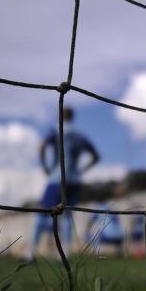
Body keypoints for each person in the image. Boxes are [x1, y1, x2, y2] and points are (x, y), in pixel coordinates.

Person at [28, 107, 99, 259]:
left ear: (60, 116)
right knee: (67, 216)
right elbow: (96, 156)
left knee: (43, 213)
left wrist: (45, 166)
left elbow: (42, 147)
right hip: (74, 180)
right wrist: (81, 170)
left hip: (57, 177)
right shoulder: (80, 136)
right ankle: (64, 254)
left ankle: (31, 252)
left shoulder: (56, 130)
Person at [85, 188, 125, 257]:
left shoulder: (98, 208)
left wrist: (87, 230)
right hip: (119, 235)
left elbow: (91, 221)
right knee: (113, 231)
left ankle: (99, 253)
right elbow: (117, 220)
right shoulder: (110, 207)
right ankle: (119, 252)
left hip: (106, 235)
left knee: (92, 234)